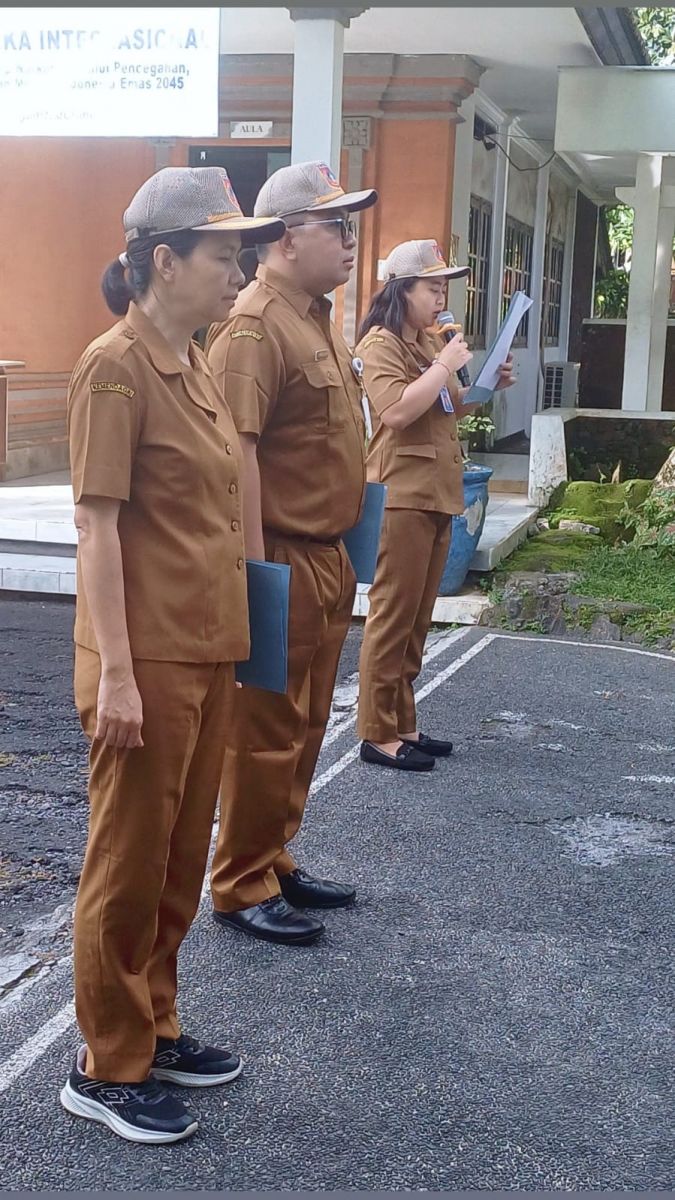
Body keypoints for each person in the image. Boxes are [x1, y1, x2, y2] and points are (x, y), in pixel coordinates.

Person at [60, 166, 284, 1144]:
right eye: (225, 256)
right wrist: (115, 671)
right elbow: (97, 527)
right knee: (127, 862)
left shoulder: (192, 361)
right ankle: (106, 1064)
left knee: (179, 858)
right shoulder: (114, 367)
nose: (239, 273)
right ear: (164, 260)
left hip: (203, 649)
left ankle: (155, 1022)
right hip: (143, 660)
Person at [205, 161, 378, 946]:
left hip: (326, 553)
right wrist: (252, 574)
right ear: (282, 238)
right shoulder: (253, 325)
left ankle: (273, 855)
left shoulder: (313, 317)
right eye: (334, 225)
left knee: (305, 724)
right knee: (264, 731)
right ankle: (241, 881)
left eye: (348, 225)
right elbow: (234, 454)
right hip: (278, 550)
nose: (349, 240)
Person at [355, 239, 515, 772]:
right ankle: (376, 732)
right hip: (401, 495)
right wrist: (444, 363)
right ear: (401, 290)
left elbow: (444, 407)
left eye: (444, 287)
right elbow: (397, 412)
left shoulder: (426, 344)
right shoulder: (379, 345)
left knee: (417, 619)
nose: (440, 298)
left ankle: (403, 723)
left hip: (436, 491)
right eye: (431, 287)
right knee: (392, 616)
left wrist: (485, 386)